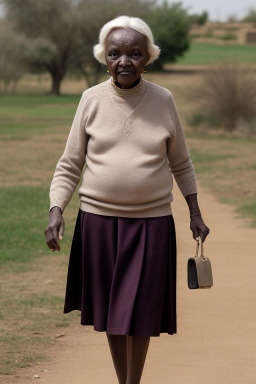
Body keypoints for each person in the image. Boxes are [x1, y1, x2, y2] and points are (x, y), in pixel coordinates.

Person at [44, 15, 210, 384]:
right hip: (99, 223)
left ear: (148, 57)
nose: (124, 61)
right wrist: (57, 209)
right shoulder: (90, 99)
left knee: (142, 313)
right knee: (113, 315)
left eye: (135, 53)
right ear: (104, 57)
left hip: (152, 223)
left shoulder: (163, 100)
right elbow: (70, 164)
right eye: (115, 53)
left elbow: (181, 163)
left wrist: (194, 213)